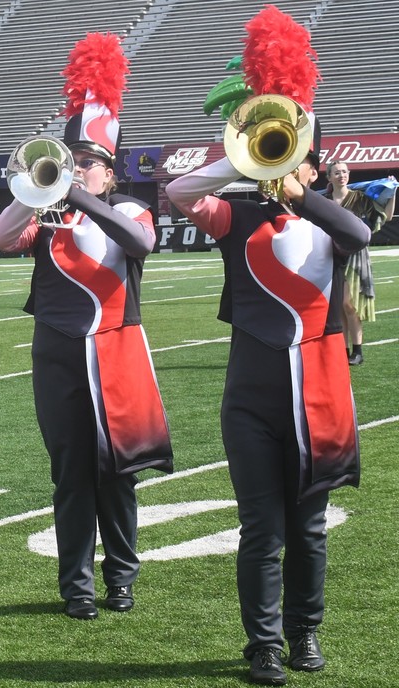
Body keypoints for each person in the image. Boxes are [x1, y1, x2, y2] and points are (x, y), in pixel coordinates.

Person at [165, 7, 368, 684]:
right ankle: (264, 645)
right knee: (261, 529)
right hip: (250, 399)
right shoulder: (237, 215)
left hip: (320, 396)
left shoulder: (329, 221)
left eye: (292, 146)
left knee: (308, 529)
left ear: (312, 155)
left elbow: (360, 237)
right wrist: (241, 156)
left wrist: (299, 190)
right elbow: (179, 192)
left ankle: (305, 633)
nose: (283, 157)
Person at [0, 34, 173, 621]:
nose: (76, 169)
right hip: (58, 352)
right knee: (70, 473)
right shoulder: (46, 216)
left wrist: (81, 199)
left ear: (108, 171)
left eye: (87, 162)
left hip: (117, 351)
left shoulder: (128, 209)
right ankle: (76, 586)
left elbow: (140, 243)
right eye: (71, 161)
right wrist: (35, 191)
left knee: (118, 473)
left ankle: (121, 577)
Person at [323, 160, 395, 365]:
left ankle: (358, 351)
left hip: (356, 255)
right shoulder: (325, 201)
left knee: (349, 304)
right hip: (331, 255)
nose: (341, 175)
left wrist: (393, 191)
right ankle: (343, 350)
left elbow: (386, 217)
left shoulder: (359, 198)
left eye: (344, 172)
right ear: (329, 177)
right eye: (337, 173)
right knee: (339, 306)